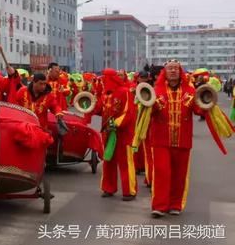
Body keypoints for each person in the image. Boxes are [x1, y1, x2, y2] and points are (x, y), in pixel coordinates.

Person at [148, 60, 208, 218]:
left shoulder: (190, 90)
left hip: (182, 139)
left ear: (180, 71)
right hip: (160, 139)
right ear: (165, 72)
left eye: (176, 68)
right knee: (162, 172)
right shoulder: (156, 90)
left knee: (179, 175)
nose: (173, 71)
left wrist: (207, 104)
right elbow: (149, 112)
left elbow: (198, 110)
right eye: (170, 68)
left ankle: (175, 204)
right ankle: (159, 206)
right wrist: (144, 104)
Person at [85, 69, 137, 201]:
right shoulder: (105, 95)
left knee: (125, 162)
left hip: (123, 133)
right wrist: (89, 108)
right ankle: (108, 188)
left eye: (104, 79)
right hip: (108, 133)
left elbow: (129, 113)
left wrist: (116, 124)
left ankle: (129, 191)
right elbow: (100, 110)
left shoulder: (125, 92)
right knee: (108, 160)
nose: (102, 81)